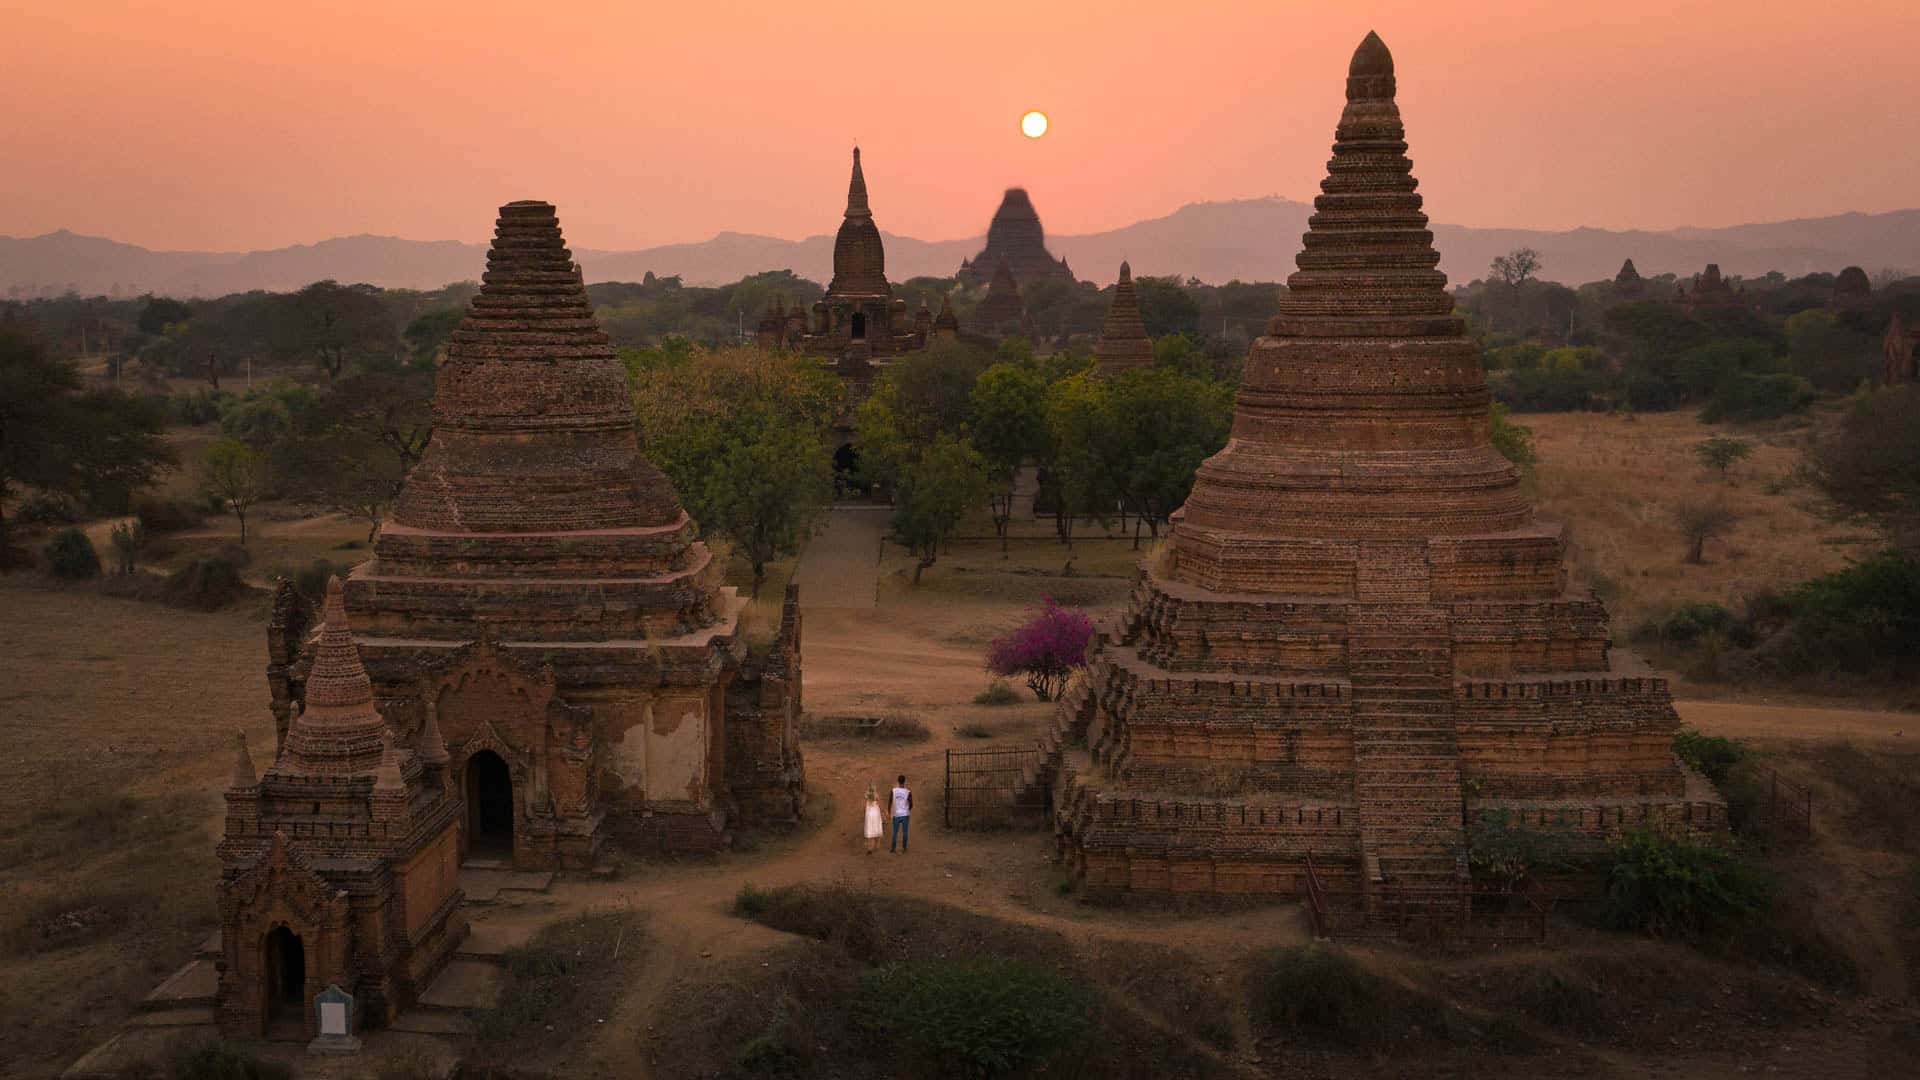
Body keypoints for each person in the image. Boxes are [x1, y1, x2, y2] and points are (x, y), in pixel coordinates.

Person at [889, 774, 912, 854]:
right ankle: (904, 848)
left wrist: (889, 812)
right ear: (904, 781)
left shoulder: (893, 791)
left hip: (896, 814)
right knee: (905, 832)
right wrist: (907, 809)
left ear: (898, 781)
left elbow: (890, 802)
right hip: (905, 814)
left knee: (895, 832)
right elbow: (911, 804)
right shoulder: (908, 792)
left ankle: (893, 848)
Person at [862, 784, 883, 854]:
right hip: (876, 812)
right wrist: (884, 813)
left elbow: (865, 806)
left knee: (869, 829)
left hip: (869, 813)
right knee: (877, 828)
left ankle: (869, 848)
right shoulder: (876, 795)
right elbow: (879, 805)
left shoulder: (866, 796)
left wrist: (864, 813)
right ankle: (876, 846)